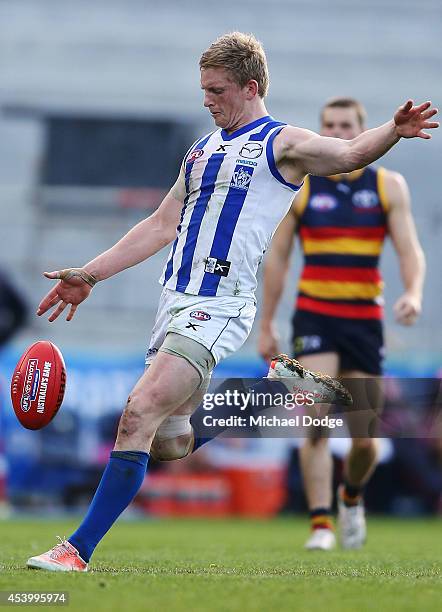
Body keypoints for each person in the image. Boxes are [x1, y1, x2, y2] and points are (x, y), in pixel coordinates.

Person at [26, 33, 438, 571]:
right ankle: (271, 391)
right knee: (167, 442)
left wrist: (393, 131)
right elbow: (160, 224)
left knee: (137, 414)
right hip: (173, 302)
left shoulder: (281, 143)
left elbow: (348, 154)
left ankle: (76, 550)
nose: (206, 100)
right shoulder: (201, 151)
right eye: (203, 89)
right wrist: (90, 275)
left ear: (251, 86)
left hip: (219, 307)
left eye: (216, 89)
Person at [258, 97, 427, 550]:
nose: (336, 130)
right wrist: (267, 323)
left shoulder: (389, 185)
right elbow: (278, 259)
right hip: (315, 314)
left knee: (365, 441)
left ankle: (350, 496)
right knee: (314, 415)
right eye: (328, 124)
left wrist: (412, 293)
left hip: (364, 320)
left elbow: (410, 249)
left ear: (361, 128)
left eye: (345, 124)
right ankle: (320, 524)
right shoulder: (304, 188)